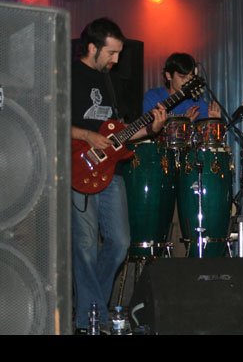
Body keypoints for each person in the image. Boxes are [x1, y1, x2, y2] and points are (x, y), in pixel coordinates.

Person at [71, 18, 167, 333]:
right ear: (91, 47)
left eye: (118, 53)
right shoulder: (67, 76)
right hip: (78, 168)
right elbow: (49, 120)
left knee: (120, 243)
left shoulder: (111, 82)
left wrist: (151, 129)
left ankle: (92, 309)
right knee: (85, 245)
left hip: (110, 170)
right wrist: (87, 135)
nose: (116, 59)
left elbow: (118, 133)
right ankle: (90, 320)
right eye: (111, 53)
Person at [143, 52, 221, 122]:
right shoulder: (154, 96)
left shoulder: (196, 101)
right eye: (182, 77)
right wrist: (183, 123)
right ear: (169, 75)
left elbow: (205, 131)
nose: (187, 81)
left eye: (191, 77)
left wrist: (212, 122)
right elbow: (148, 130)